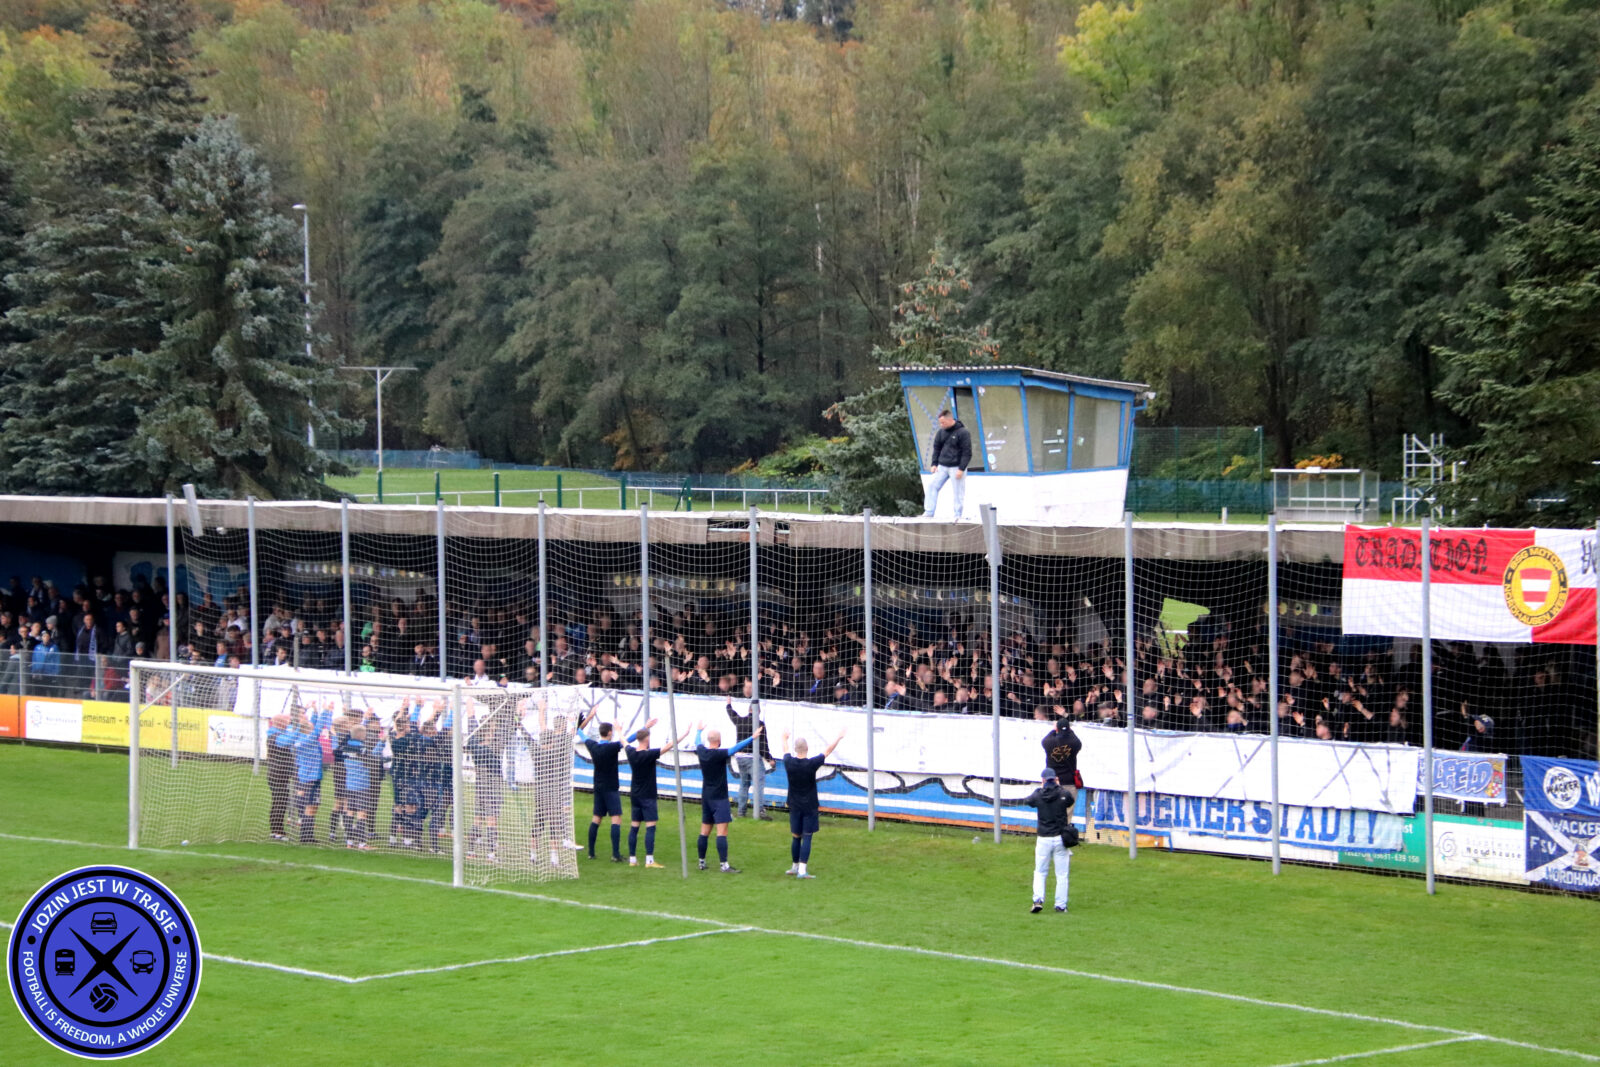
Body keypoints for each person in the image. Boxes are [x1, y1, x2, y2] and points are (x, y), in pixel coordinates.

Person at [693, 720, 761, 872]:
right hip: (719, 798)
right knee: (722, 832)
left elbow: (697, 742)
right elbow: (734, 749)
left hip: (706, 797)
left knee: (704, 831)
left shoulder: (702, 752)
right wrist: (752, 737)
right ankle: (724, 865)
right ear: (718, 741)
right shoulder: (719, 754)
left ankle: (701, 862)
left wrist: (698, 731)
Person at [780, 726, 846, 879]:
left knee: (796, 836)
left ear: (795, 749)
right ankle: (802, 870)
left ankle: (794, 866)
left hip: (794, 804)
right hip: (809, 805)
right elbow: (827, 751)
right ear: (807, 749)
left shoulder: (789, 762)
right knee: (807, 836)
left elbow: (784, 750)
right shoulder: (811, 764)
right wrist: (839, 737)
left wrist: (784, 738)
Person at [625, 720, 692, 868]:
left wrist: (618, 730)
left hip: (634, 794)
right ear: (647, 739)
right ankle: (649, 860)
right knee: (650, 826)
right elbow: (669, 746)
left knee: (634, 826)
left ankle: (632, 859)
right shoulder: (649, 754)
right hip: (648, 795)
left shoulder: (630, 752)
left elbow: (623, 741)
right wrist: (684, 734)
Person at [578, 709, 637, 861]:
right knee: (616, 819)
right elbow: (627, 740)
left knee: (596, 818)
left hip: (598, 786)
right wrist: (644, 729)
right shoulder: (611, 747)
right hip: (611, 787)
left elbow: (581, 733)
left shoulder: (593, 746)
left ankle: (591, 852)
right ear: (610, 733)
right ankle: (615, 854)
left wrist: (587, 719)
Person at [1023, 768, 1074, 914]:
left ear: (1043, 780)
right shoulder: (1063, 793)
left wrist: (1041, 789)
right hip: (1060, 838)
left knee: (1040, 871)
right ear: (1055, 779)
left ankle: (1038, 900)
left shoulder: (1038, 795)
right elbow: (1070, 800)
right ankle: (1060, 905)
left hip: (1044, 838)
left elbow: (1028, 801)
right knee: (1062, 874)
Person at [922, 409, 972, 518]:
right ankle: (929, 512)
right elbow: (937, 448)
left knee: (958, 493)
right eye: (940, 423)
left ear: (950, 420)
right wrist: (934, 464)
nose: (941, 425)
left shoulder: (963, 433)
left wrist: (961, 469)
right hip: (943, 466)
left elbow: (967, 453)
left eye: (943, 423)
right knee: (932, 486)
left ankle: (957, 515)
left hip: (957, 467)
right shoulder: (941, 432)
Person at [264, 711, 295, 841]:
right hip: (278, 774)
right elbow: (290, 739)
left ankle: (275, 829)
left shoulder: (275, 733)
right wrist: (298, 728)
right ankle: (278, 831)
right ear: (280, 723)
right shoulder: (277, 736)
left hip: (277, 773)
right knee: (280, 802)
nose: (289, 722)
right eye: (286, 720)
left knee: (279, 801)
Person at [1040, 715, 1083, 789]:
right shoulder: (1074, 743)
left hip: (1053, 780)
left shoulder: (1049, 742)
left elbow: (1044, 741)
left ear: (1057, 728)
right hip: (1069, 780)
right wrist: (1070, 731)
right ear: (1069, 728)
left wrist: (1053, 730)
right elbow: (1078, 742)